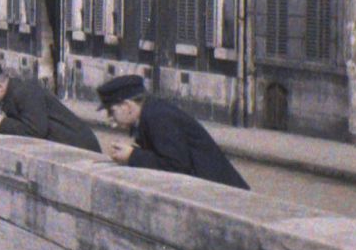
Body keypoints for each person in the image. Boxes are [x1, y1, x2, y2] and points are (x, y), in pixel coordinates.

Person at [94, 75, 250, 189]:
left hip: (224, 194)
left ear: (127, 106)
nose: (110, 120)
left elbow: (176, 165)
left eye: (111, 111)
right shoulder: (152, 112)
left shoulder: (157, 117)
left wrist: (132, 156)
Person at [0, 62, 104, 155]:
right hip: (67, 146)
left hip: (79, 146)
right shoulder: (13, 93)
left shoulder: (23, 92)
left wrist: (3, 124)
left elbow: (36, 130)